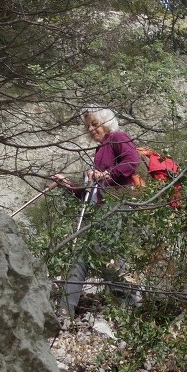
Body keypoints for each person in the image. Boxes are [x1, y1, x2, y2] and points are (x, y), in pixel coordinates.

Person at [50, 107, 142, 316]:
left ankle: (128, 306)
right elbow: (90, 193)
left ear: (106, 122)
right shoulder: (99, 150)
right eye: (88, 126)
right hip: (96, 208)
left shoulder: (117, 138)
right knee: (80, 255)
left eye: (94, 123)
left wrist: (105, 174)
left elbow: (132, 161)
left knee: (105, 253)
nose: (91, 129)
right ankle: (65, 311)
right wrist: (68, 185)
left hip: (113, 205)